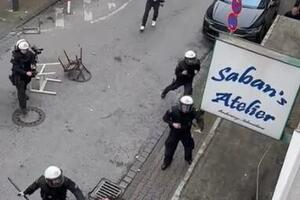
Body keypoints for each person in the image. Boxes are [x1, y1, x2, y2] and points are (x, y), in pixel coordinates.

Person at [161, 96, 204, 170]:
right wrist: (173, 123)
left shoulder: (193, 111)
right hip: (174, 132)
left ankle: (188, 158)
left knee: (189, 146)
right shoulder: (173, 110)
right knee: (169, 146)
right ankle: (167, 161)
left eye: (188, 107)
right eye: (184, 107)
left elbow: (199, 118)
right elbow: (165, 118)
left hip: (185, 132)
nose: (185, 109)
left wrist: (200, 125)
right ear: (180, 105)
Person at [17, 166, 85, 200]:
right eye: (55, 181)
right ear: (48, 181)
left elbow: (76, 190)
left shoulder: (65, 181)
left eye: (59, 178)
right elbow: (33, 186)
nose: (59, 181)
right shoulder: (42, 181)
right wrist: (25, 192)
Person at [10, 39, 37, 114]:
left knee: (25, 85)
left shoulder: (30, 53)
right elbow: (15, 68)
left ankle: (24, 94)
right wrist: (25, 72)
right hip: (19, 76)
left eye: (26, 49)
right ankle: (23, 107)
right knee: (21, 91)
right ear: (19, 49)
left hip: (27, 75)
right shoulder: (16, 56)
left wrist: (33, 65)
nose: (25, 51)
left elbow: (33, 60)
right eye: (23, 50)